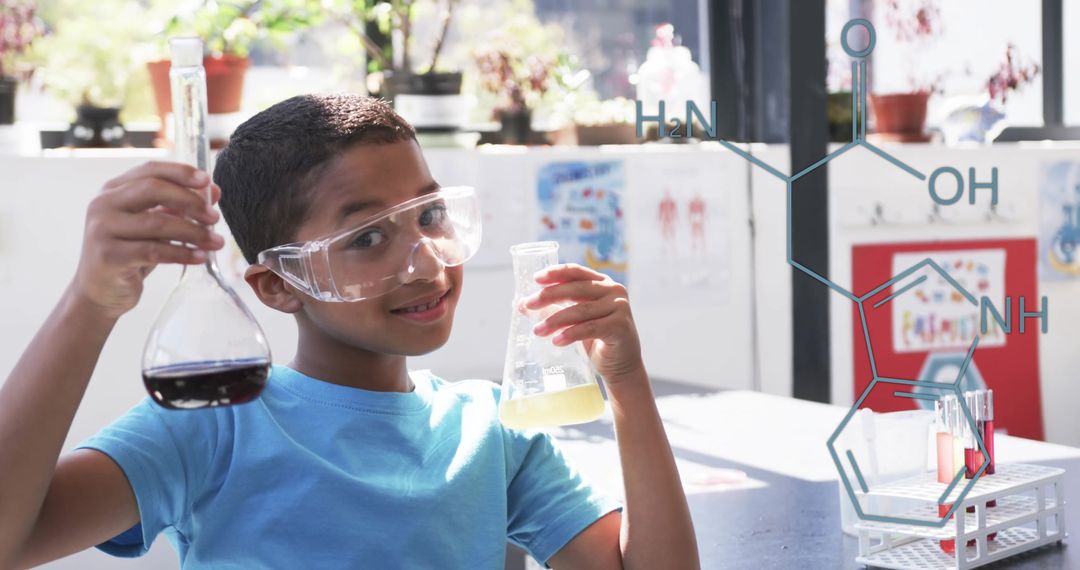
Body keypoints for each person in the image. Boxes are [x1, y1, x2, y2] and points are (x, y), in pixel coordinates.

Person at [0, 95, 698, 569]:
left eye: (428, 216)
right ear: (278, 285)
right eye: (367, 236)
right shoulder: (214, 425)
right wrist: (89, 305)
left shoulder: (492, 429)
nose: (424, 262)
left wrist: (626, 383)